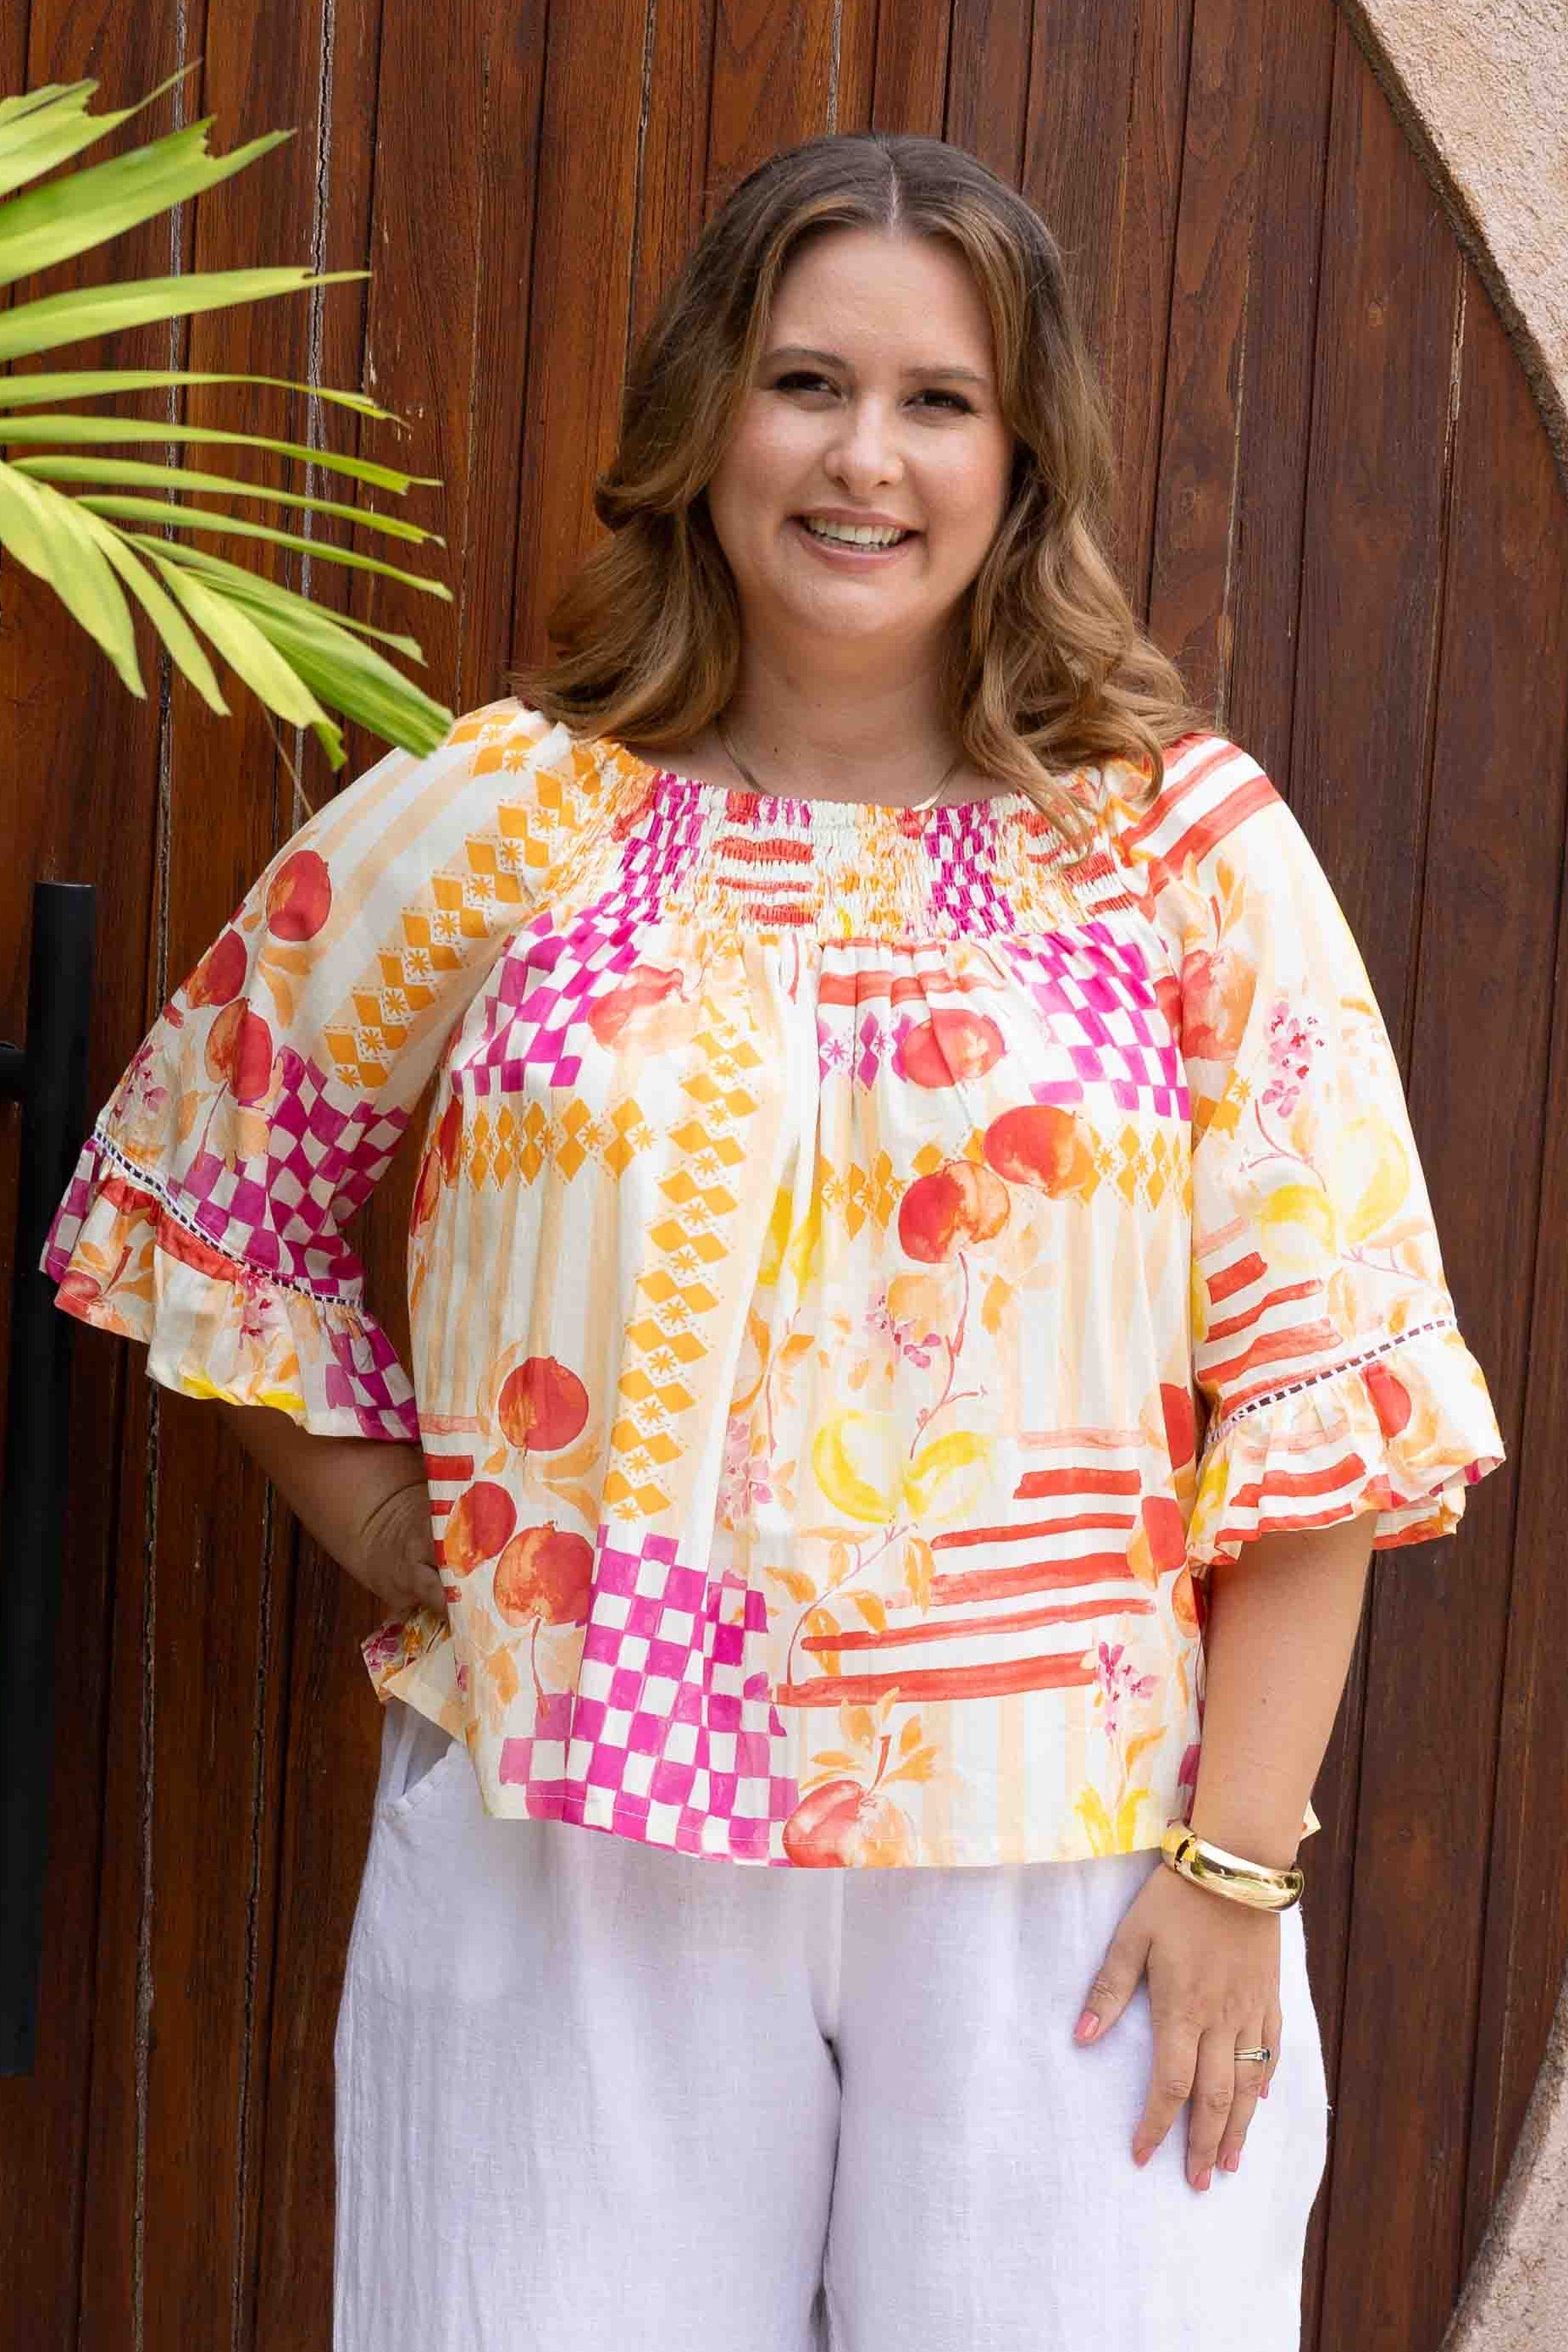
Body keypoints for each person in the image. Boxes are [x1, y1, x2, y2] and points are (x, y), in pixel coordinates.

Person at [42, 132, 1505, 2352]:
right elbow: (202, 1194)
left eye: (937, 400)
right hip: (573, 1847)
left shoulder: (1179, 852)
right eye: (806, 381)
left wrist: (1237, 1862)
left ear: (1022, 457)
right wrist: (406, 1534)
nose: (862, 458)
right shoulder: (507, 812)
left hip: (1067, 1865)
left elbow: (1328, 1371)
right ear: (704, 414)